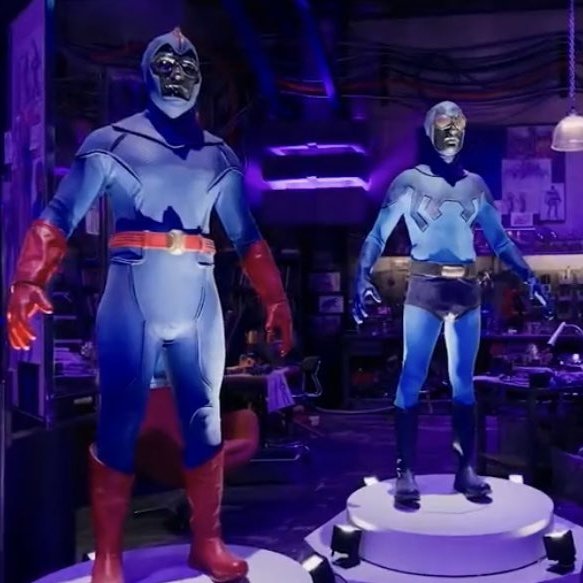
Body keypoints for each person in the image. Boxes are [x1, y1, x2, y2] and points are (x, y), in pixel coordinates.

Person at [6, 28, 292, 583]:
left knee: (205, 417)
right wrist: (26, 278)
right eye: (166, 62)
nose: (178, 72)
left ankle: (206, 543)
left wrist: (275, 297)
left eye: (188, 64)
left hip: (198, 292)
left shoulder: (219, 156)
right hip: (132, 291)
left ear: (200, 78)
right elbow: (61, 213)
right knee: (119, 418)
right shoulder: (110, 143)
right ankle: (109, 556)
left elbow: (247, 236)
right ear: (146, 72)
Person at [352, 101, 551, 505]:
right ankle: (405, 470)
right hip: (424, 289)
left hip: (466, 291)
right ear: (429, 130)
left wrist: (529, 276)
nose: (452, 128)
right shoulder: (408, 182)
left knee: (463, 382)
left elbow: (500, 241)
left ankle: (466, 468)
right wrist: (361, 273)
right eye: (443, 121)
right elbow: (377, 234)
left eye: (458, 122)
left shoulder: (476, 185)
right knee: (411, 376)